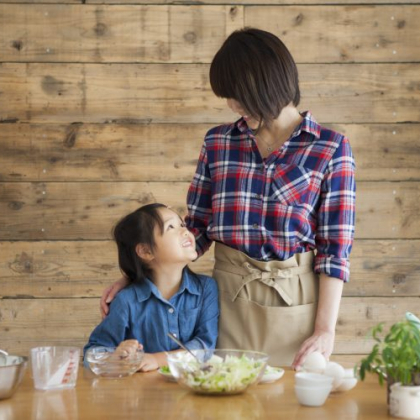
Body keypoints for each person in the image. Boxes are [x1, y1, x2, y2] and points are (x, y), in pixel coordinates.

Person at [100, 28, 356, 369]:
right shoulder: (219, 142)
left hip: (295, 306)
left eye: (237, 95)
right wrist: (139, 276)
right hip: (226, 303)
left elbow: (335, 250)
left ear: (264, 85)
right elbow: (198, 230)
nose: (231, 105)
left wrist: (325, 329)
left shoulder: (330, 148)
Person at [85, 203, 219, 371]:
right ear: (146, 251)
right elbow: (92, 353)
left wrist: (158, 359)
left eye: (182, 224)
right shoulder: (126, 301)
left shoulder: (207, 288)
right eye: (171, 227)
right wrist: (116, 356)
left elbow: (205, 347)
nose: (186, 231)